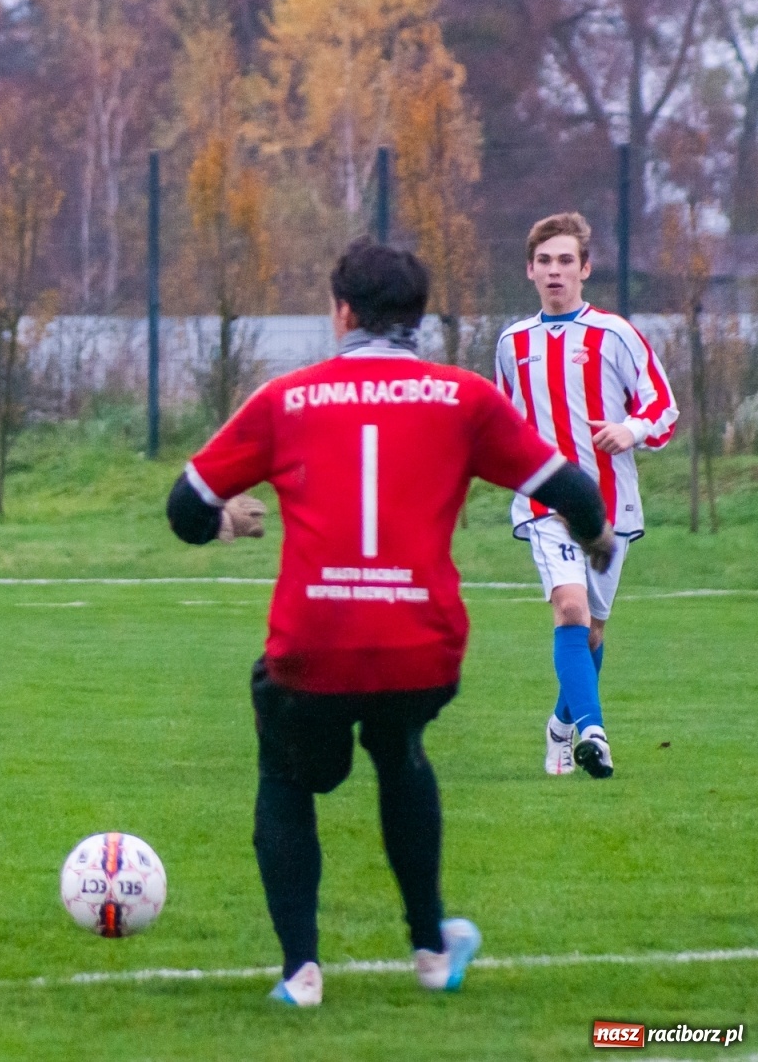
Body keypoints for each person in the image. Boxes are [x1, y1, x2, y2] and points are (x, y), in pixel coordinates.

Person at [166, 239, 615, 1008]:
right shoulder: (466, 399)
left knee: (286, 771)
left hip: (315, 645)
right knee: (400, 751)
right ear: (420, 318)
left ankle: (300, 973)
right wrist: (596, 535)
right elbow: (571, 488)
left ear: (341, 311)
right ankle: (433, 952)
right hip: (421, 643)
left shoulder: (286, 398)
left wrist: (227, 527)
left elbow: (185, 510)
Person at [494, 213, 677, 780]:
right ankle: (592, 735)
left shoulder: (615, 334)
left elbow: (662, 405)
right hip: (548, 506)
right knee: (569, 609)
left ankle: (561, 725)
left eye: (565, 260)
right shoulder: (512, 343)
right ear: (529, 270)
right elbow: (506, 428)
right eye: (544, 261)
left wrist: (631, 430)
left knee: (592, 630)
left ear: (585, 269)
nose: (555, 271)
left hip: (611, 505)